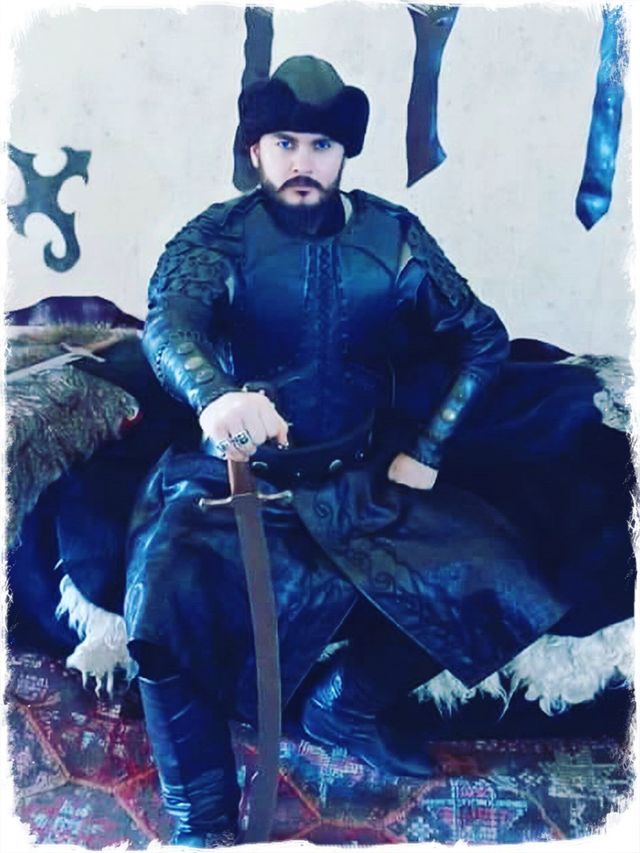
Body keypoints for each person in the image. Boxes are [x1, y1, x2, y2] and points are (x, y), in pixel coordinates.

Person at [124, 56, 634, 848]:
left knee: (501, 575)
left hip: (357, 479)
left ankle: (343, 704)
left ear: (343, 154)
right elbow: (169, 324)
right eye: (284, 143)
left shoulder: (392, 236)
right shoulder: (214, 237)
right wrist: (213, 394)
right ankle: (201, 817)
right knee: (159, 602)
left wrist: (428, 447)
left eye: (321, 145)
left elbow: (481, 337)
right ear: (255, 149)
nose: (303, 161)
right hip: (235, 484)